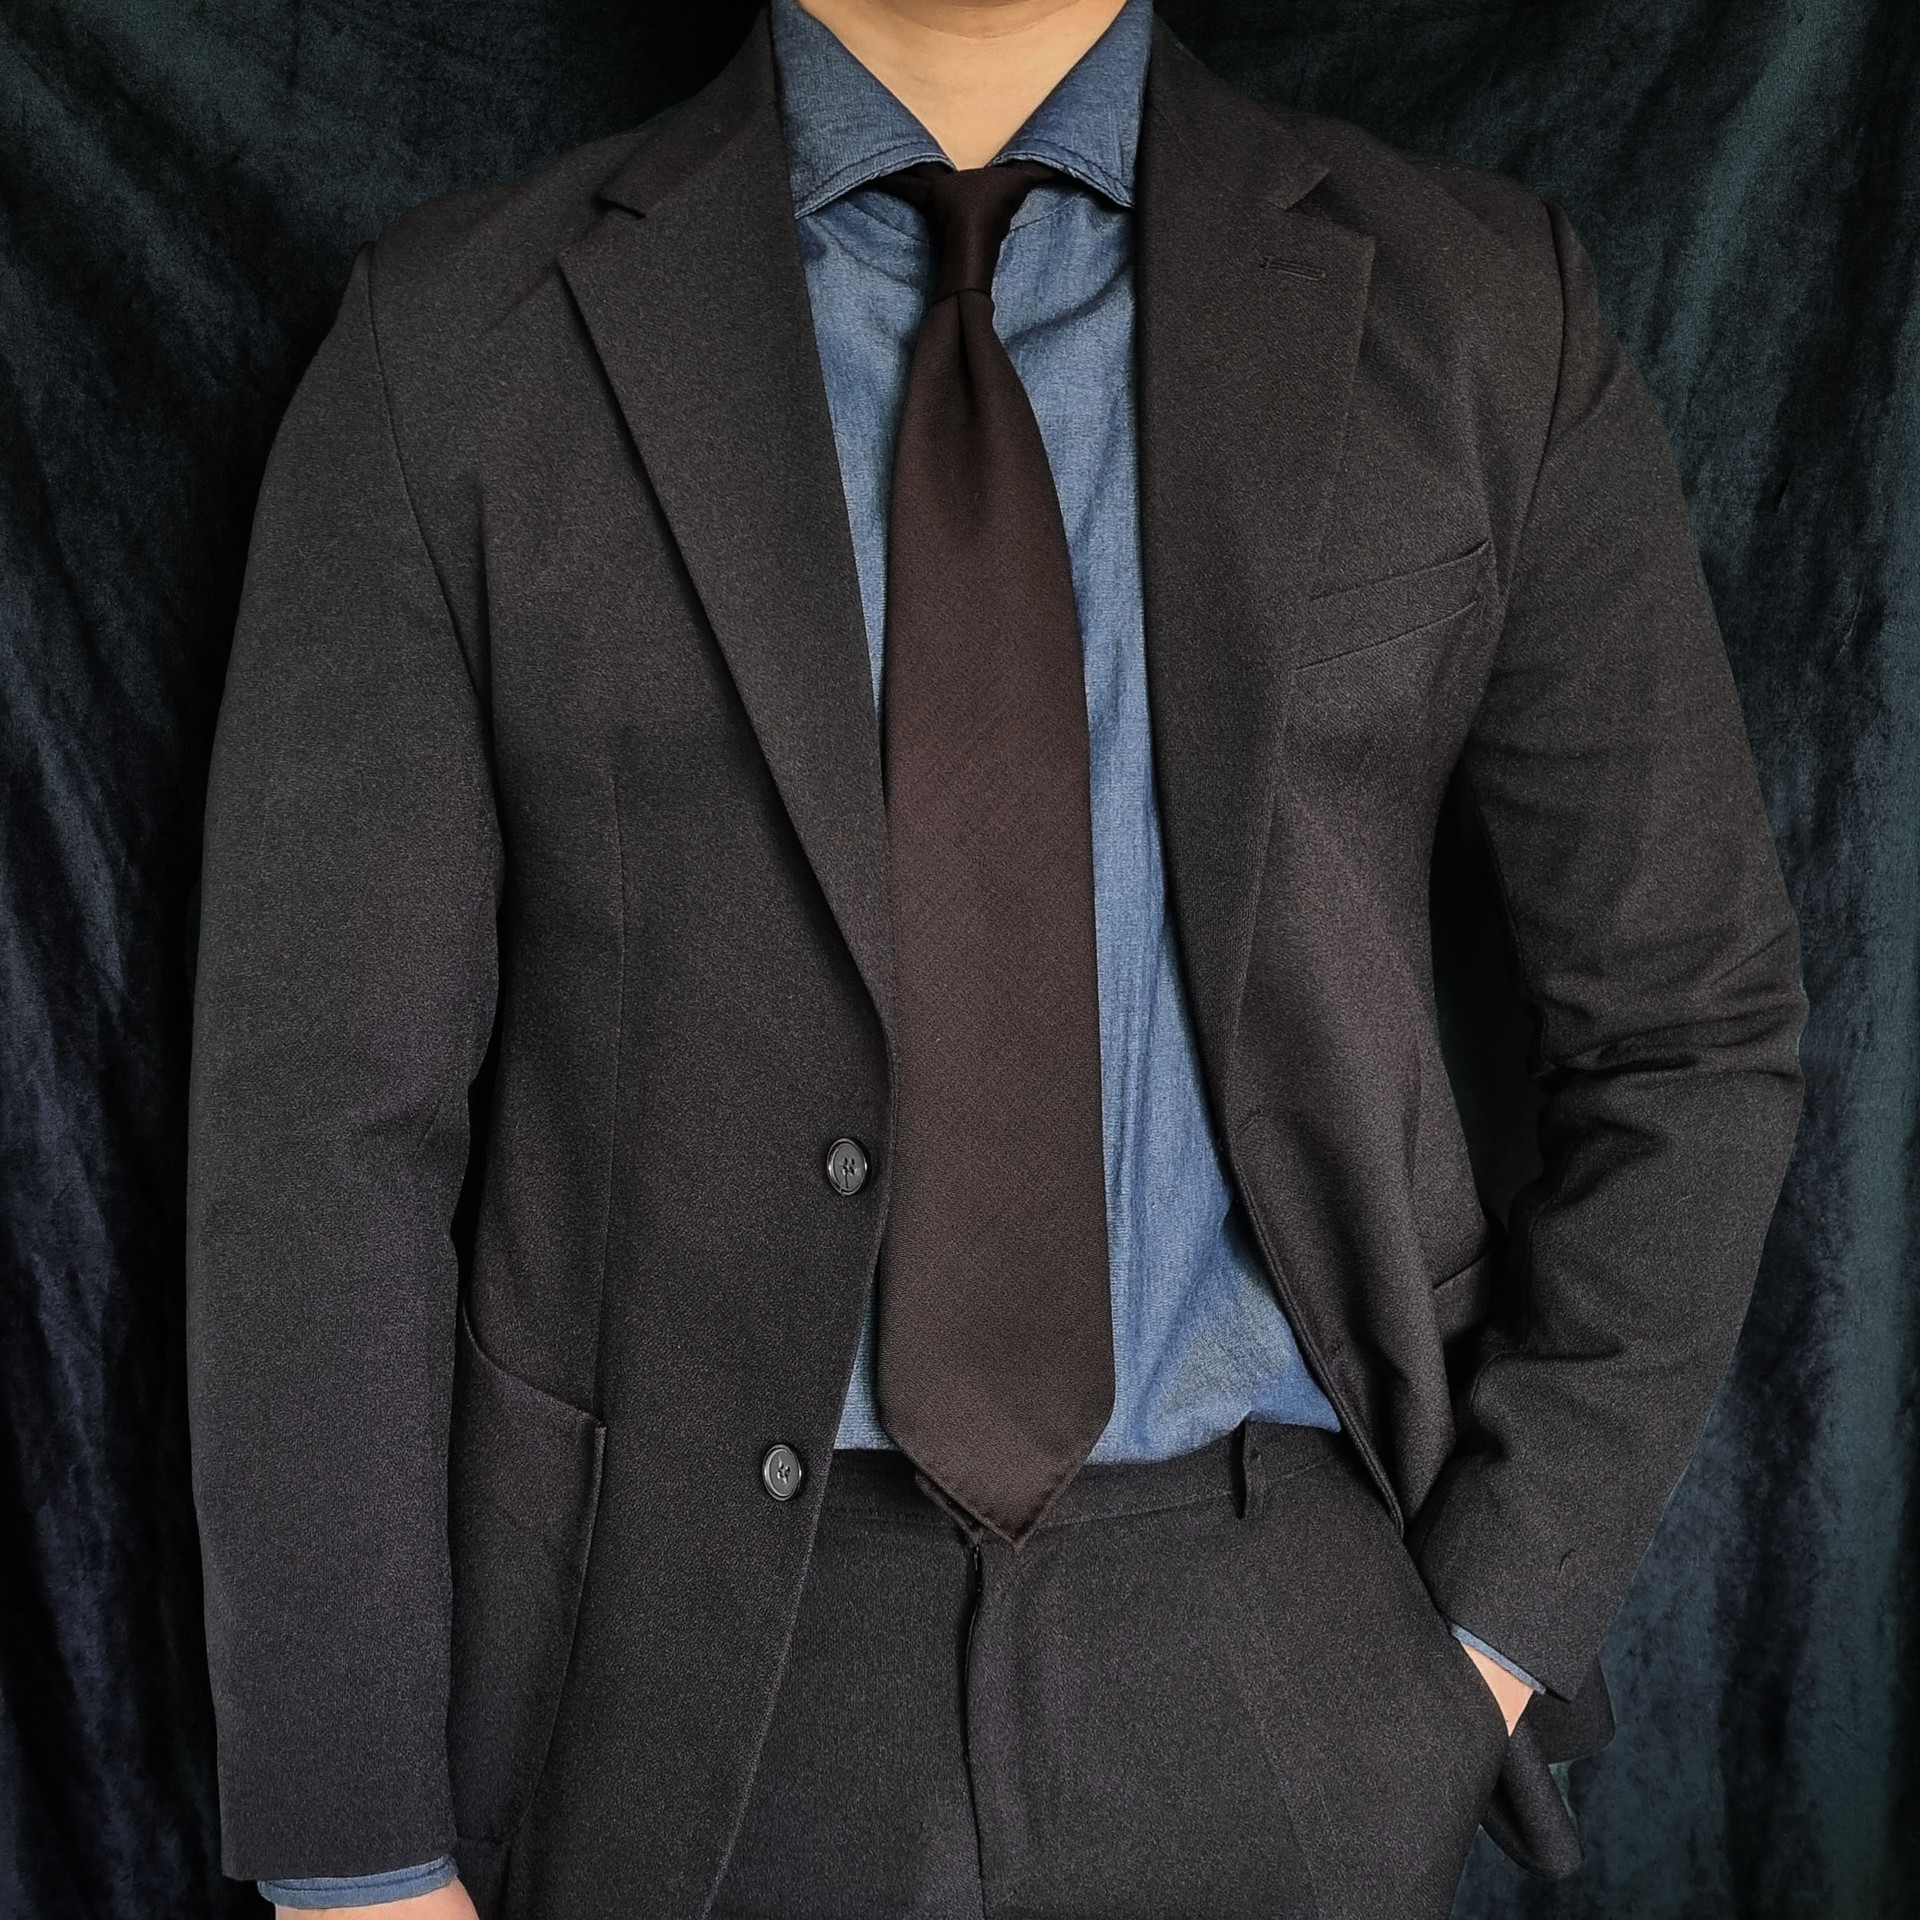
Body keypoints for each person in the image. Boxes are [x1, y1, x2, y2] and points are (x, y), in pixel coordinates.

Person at [183, 0, 1807, 1914]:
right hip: (657, 1696)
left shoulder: (1481, 313)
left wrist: (1482, 1642)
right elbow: (320, 1133)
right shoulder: (459, 343)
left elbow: (1693, 1026)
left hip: (1293, 1658)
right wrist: (358, 1863)